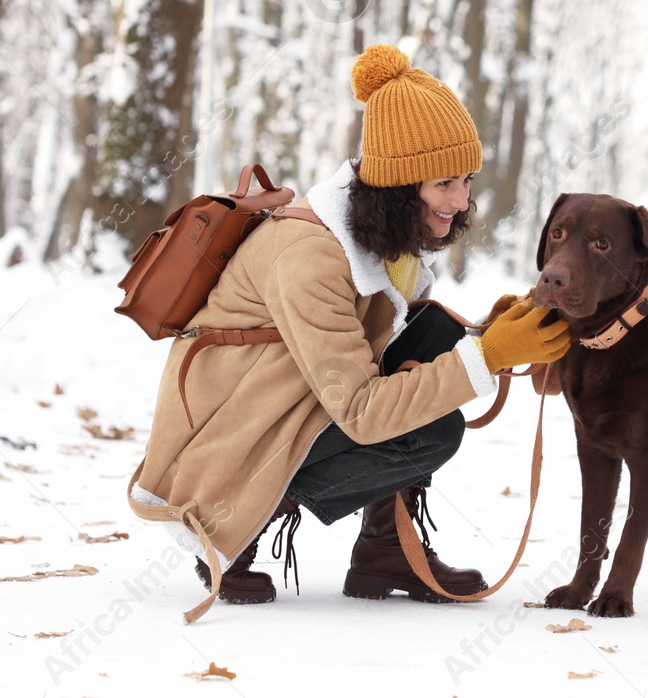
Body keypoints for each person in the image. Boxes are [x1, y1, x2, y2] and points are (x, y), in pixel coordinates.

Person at [128, 44, 570, 619]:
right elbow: (363, 410)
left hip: (294, 394)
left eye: (465, 180)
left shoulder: (382, 240)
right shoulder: (308, 256)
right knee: (433, 430)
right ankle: (238, 515)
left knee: (434, 332)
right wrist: (487, 356)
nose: (461, 202)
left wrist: (495, 333)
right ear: (397, 185)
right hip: (230, 439)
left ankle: (385, 551)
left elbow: (399, 348)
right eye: (444, 184)